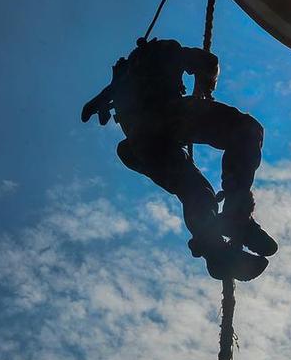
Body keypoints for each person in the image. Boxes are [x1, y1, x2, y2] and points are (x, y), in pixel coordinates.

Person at [81, 37, 277, 280]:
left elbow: (97, 102)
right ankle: (237, 215)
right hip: (167, 117)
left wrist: (101, 100)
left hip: (138, 146)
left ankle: (215, 252)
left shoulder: (122, 81)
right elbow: (207, 62)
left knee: (196, 192)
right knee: (247, 131)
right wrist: (204, 91)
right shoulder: (167, 50)